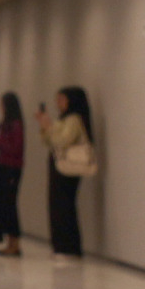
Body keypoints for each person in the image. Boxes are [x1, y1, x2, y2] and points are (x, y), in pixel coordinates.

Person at [36, 86, 93, 262]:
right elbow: (49, 141)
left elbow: (62, 141)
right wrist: (46, 127)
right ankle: (60, 246)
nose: (58, 103)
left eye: (62, 99)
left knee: (64, 206)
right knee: (57, 205)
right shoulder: (64, 119)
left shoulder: (74, 119)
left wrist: (49, 127)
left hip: (68, 168)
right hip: (59, 166)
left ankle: (68, 247)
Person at [0, 92, 25, 257]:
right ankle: (10, 242)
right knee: (5, 205)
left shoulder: (16, 125)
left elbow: (15, 147)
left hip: (11, 169)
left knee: (10, 205)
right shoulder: (7, 124)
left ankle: (15, 243)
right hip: (3, 167)